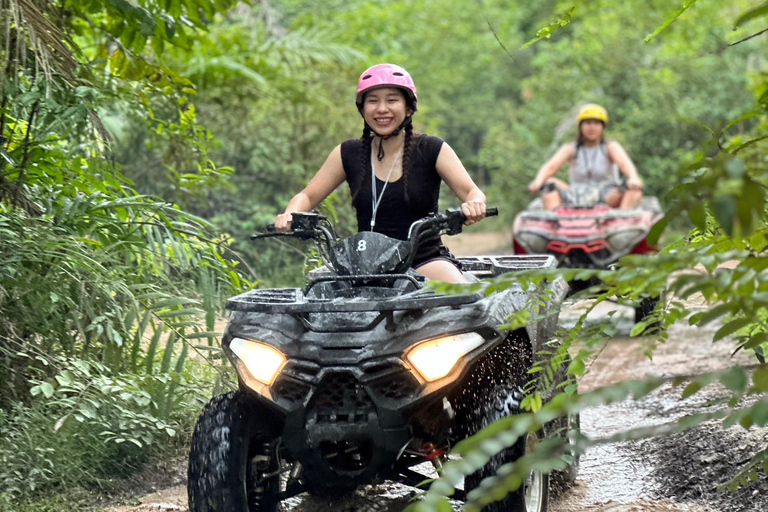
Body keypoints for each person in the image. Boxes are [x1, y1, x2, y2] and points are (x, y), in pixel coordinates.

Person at [275, 63, 487, 283]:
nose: (382, 109)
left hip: (424, 260)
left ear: (409, 108)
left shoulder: (432, 149)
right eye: (373, 101)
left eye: (392, 100)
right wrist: (291, 213)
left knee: (461, 299)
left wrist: (474, 205)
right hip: (365, 264)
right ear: (363, 108)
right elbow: (307, 196)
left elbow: (472, 191)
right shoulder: (348, 152)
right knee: (318, 303)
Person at [527, 103, 644, 210]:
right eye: (588, 123)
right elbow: (551, 166)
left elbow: (625, 164)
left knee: (634, 190)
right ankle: (554, 223)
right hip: (576, 195)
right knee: (549, 184)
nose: (592, 127)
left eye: (596, 123)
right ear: (581, 126)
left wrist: (633, 178)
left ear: (602, 127)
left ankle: (622, 220)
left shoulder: (610, 146)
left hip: (607, 195)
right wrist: (538, 181)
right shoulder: (571, 148)